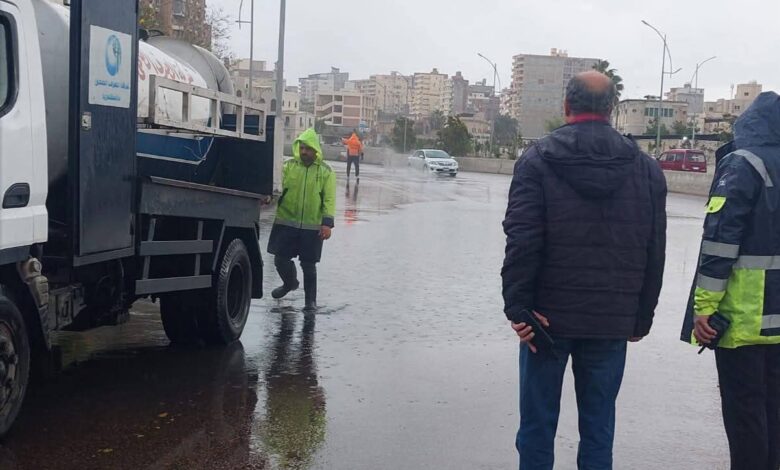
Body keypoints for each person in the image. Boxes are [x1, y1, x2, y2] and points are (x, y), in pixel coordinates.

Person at [502, 71, 667, 470]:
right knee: (598, 429)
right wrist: (641, 317)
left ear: (566, 106)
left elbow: (522, 239)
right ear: (612, 109)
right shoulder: (646, 169)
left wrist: (518, 308)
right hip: (611, 320)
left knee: (537, 426)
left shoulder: (537, 160)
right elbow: (655, 249)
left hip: (545, 321)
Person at [680, 91, 780, 470]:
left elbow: (720, 244)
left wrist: (703, 309)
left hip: (743, 320)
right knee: (774, 415)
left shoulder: (743, 164)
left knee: (745, 418)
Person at [268, 128, 336, 311]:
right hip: (286, 222)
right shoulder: (288, 166)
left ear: (315, 150)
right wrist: (267, 197)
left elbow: (329, 199)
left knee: (308, 265)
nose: (304, 152)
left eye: (308, 148)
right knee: (280, 260)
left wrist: (327, 224)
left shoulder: (326, 171)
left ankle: (310, 302)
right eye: (302, 148)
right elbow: (276, 188)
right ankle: (289, 283)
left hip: (311, 226)